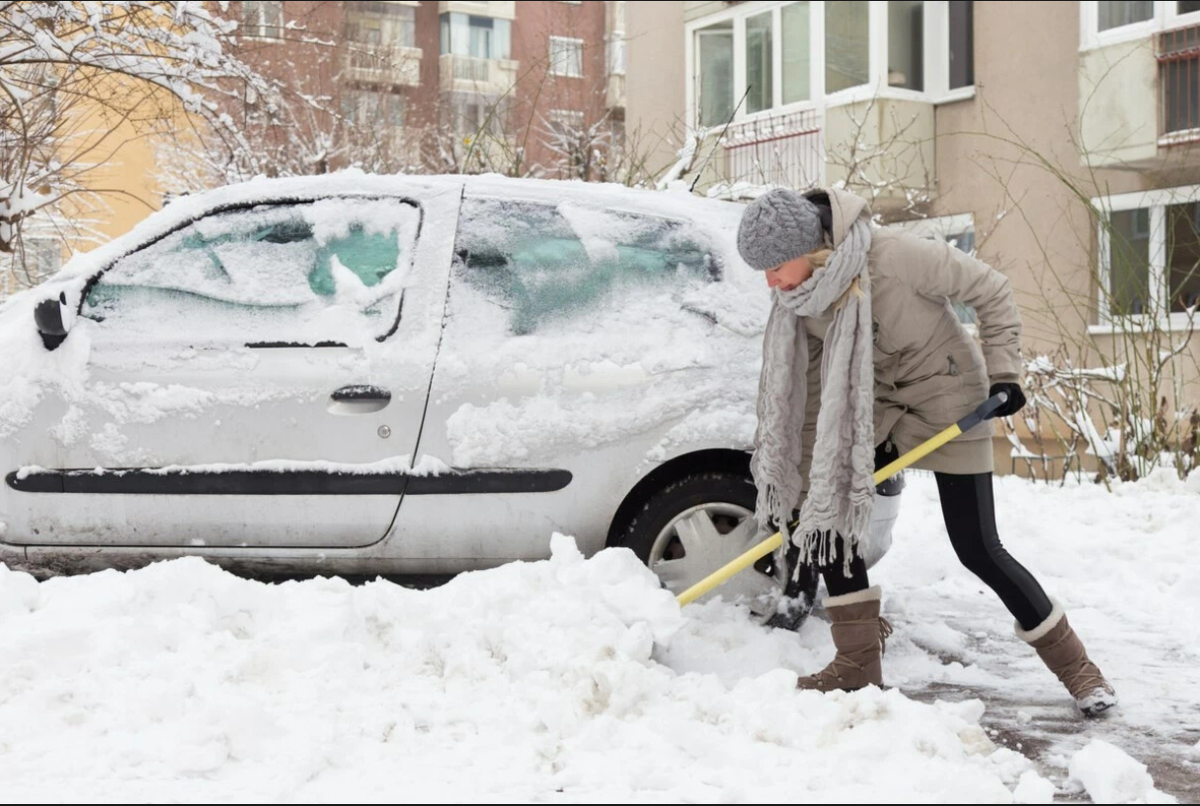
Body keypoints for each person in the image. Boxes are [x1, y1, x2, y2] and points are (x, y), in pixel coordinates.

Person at [736, 187, 1117, 717]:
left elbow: (993, 289)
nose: (770, 281)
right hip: (873, 407)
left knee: (977, 547)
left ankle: (1079, 669)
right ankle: (857, 664)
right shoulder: (803, 299)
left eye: (775, 266)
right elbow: (813, 395)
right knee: (834, 510)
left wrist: (1004, 371)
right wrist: (808, 479)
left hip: (948, 400)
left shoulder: (896, 257)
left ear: (811, 247)